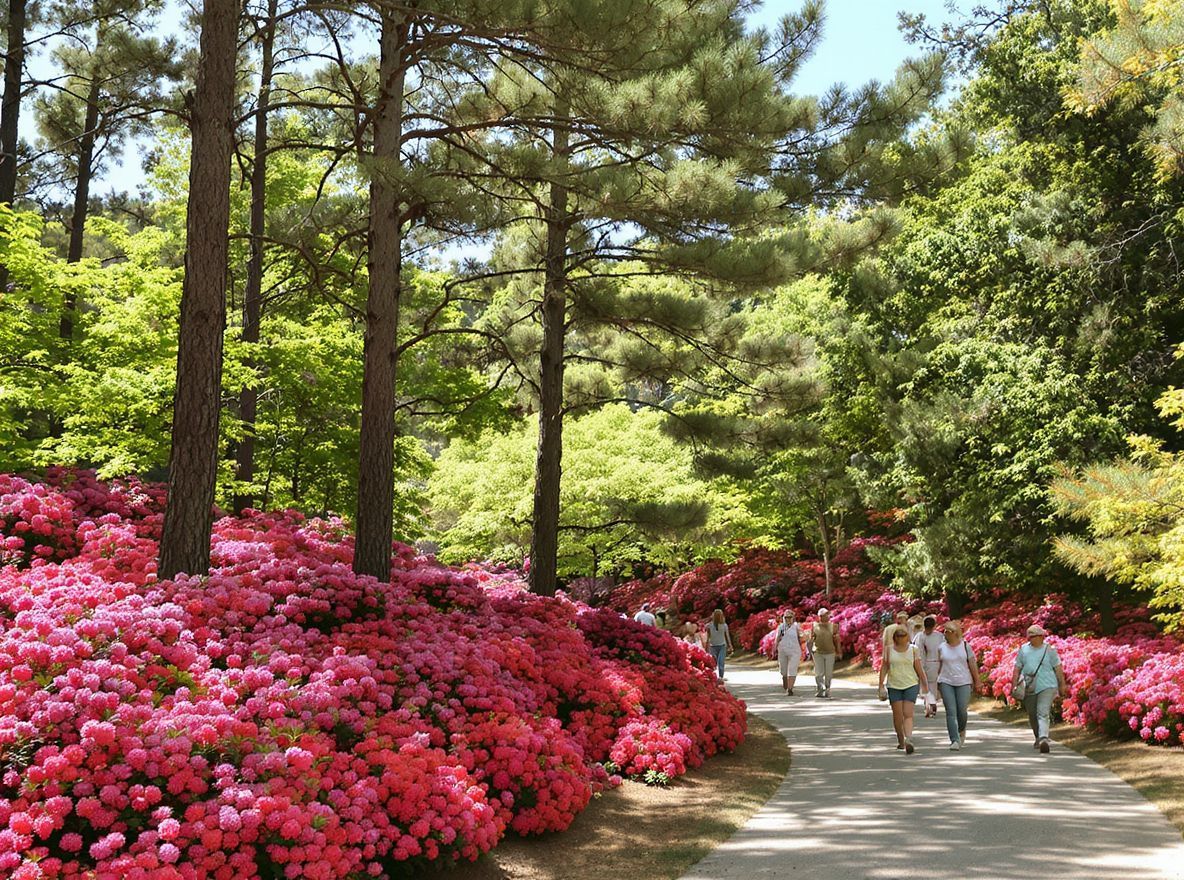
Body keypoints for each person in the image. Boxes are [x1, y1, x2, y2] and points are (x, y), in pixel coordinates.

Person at [1011, 624, 1068, 754]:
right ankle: (1038, 736)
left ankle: (1043, 738)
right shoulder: (1024, 650)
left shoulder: (1050, 650)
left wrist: (1062, 684)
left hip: (1047, 685)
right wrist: (1014, 684)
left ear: (1041, 637)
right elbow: (1017, 668)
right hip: (1029, 686)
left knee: (1042, 711)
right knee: (1032, 713)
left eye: (1035, 636)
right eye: (1030, 636)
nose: (1032, 638)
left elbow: (1058, 668)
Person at [877, 625, 928, 754]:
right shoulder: (888, 650)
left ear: (907, 638)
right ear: (895, 638)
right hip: (894, 685)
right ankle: (900, 738)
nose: (902, 640)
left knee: (908, 713)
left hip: (911, 684)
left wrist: (924, 683)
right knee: (898, 715)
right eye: (899, 637)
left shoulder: (913, 650)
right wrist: (881, 685)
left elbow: (918, 667)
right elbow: (884, 667)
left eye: (904, 637)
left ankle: (908, 739)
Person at [936, 621, 981, 750]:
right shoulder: (941, 647)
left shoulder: (965, 646)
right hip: (946, 681)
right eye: (944, 631)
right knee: (951, 711)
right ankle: (954, 740)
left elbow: (972, 664)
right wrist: (936, 683)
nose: (944, 634)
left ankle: (961, 730)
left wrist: (977, 681)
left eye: (947, 631)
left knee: (961, 711)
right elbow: (939, 665)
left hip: (963, 681)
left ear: (955, 633)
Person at [913, 615, 944, 718]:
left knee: (927, 685)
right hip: (933, 663)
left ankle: (929, 704)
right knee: (931, 685)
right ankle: (930, 704)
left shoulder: (919, 636)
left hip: (925, 663)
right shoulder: (939, 636)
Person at [807, 608, 842, 698]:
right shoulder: (814, 626)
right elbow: (811, 639)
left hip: (830, 652)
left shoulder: (833, 626)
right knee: (819, 673)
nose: (827, 616)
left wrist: (839, 651)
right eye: (825, 614)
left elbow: (837, 640)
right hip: (817, 652)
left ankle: (827, 689)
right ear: (820, 616)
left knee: (828, 673)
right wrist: (809, 652)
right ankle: (820, 688)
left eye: (827, 614)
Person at [773, 611, 805, 696]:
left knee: (792, 669)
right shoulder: (781, 627)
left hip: (795, 651)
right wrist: (774, 648)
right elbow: (777, 638)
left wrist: (804, 636)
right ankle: (786, 684)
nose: (788, 619)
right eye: (786, 617)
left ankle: (790, 689)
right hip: (783, 650)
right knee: (783, 671)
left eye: (790, 617)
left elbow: (802, 637)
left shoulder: (797, 627)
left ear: (793, 618)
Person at [706, 609, 733, 679]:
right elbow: (708, 637)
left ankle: (721, 677)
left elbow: (727, 636)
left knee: (721, 662)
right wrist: (706, 646)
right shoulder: (709, 626)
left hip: (722, 646)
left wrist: (730, 645)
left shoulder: (724, 625)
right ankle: (712, 676)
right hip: (713, 646)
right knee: (713, 662)